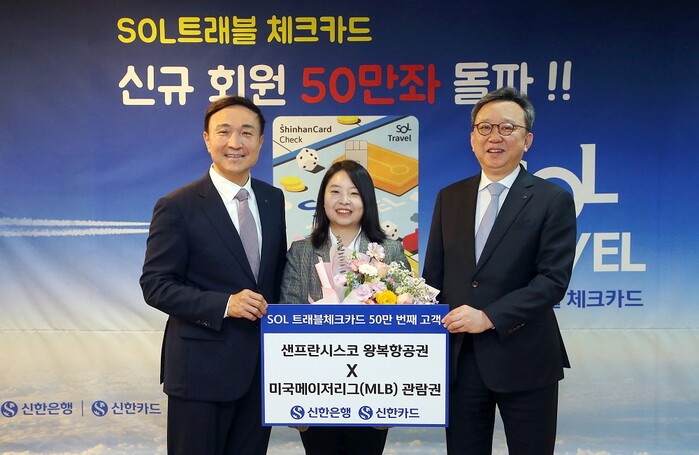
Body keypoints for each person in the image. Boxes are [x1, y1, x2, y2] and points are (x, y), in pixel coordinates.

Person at [422, 86, 577, 454]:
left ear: (527, 140)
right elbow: (433, 279)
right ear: (472, 139)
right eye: (485, 127)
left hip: (526, 357)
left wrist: (489, 317)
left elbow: (552, 281)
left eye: (507, 128)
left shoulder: (552, 199)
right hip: (460, 359)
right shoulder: (450, 197)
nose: (495, 136)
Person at [140, 95, 287, 455]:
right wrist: (225, 305)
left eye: (246, 133)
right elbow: (156, 285)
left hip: (260, 373)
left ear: (260, 142)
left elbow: (275, 277)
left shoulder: (273, 199)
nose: (235, 142)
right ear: (207, 139)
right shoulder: (177, 205)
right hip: (200, 373)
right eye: (224, 132)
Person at [280, 159, 410, 455]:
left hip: (375, 392)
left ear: (367, 200)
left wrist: (393, 400)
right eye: (335, 192)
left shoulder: (390, 251)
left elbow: (405, 328)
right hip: (315, 391)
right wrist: (294, 400)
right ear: (322, 198)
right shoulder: (301, 252)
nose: (344, 201)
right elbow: (288, 321)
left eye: (354, 193)